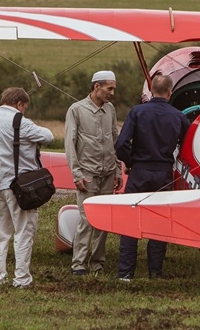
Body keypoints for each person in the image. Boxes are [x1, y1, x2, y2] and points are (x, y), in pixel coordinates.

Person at [114, 74, 191, 281]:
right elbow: (187, 147)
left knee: (131, 221)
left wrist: (130, 162)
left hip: (139, 171)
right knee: (158, 222)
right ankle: (155, 272)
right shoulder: (179, 116)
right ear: (169, 92)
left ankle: (125, 273)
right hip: (164, 174)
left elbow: (121, 144)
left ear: (151, 91)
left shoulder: (137, 112)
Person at [0, 87, 54, 288]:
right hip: (18, 186)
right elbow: (48, 136)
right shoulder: (21, 122)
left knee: (1, 233)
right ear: (19, 104)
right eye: (25, 107)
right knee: (24, 232)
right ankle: (21, 279)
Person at [64, 70, 123, 276]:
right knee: (86, 219)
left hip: (107, 173)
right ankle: (78, 263)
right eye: (109, 88)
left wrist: (117, 170)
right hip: (87, 173)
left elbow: (115, 139)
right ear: (97, 87)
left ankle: (97, 263)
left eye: (113, 88)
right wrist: (77, 174)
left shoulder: (110, 109)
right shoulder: (76, 110)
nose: (112, 93)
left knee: (104, 219)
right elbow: (70, 143)